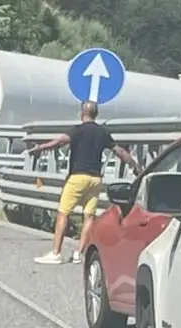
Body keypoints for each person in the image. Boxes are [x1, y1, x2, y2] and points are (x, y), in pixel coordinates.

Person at [27, 100, 141, 265]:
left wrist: (40, 148)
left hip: (77, 177)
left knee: (63, 213)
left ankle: (56, 253)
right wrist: (135, 166)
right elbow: (120, 151)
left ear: (82, 114)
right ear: (96, 114)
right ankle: (77, 253)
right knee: (89, 216)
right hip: (95, 180)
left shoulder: (77, 131)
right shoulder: (103, 133)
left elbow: (59, 141)